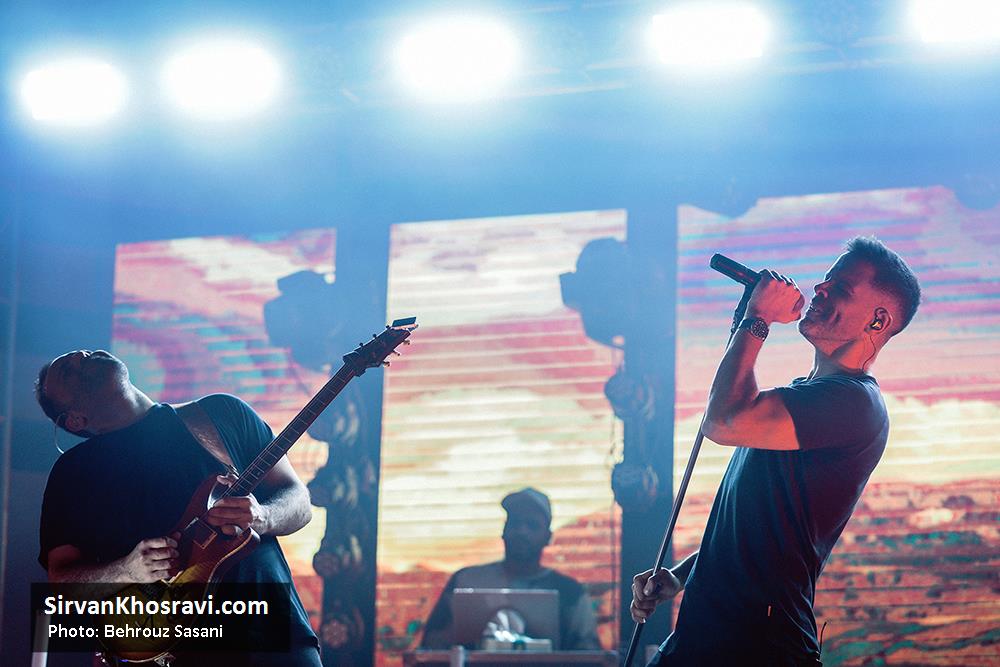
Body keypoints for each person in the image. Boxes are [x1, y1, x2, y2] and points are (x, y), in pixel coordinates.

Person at [631, 237, 921, 666]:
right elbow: (757, 528)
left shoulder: (853, 403)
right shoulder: (804, 398)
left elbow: (723, 421)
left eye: (840, 288)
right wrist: (680, 577)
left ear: (878, 321)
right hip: (703, 640)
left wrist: (759, 317)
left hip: (759, 648)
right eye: (825, 280)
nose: (820, 289)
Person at [35, 348, 322, 666]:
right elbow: (62, 585)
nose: (82, 357)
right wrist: (127, 570)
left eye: (83, 353)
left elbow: (298, 502)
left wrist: (263, 516)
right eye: (68, 371)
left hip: (276, 634)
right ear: (75, 420)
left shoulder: (221, 413)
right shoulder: (73, 473)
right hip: (173, 653)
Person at [420, 487, 601, 651]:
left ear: (548, 537)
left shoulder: (570, 593)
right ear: (504, 530)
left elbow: (588, 655)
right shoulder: (465, 581)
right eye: (515, 522)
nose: (522, 531)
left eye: (532, 525)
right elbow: (431, 648)